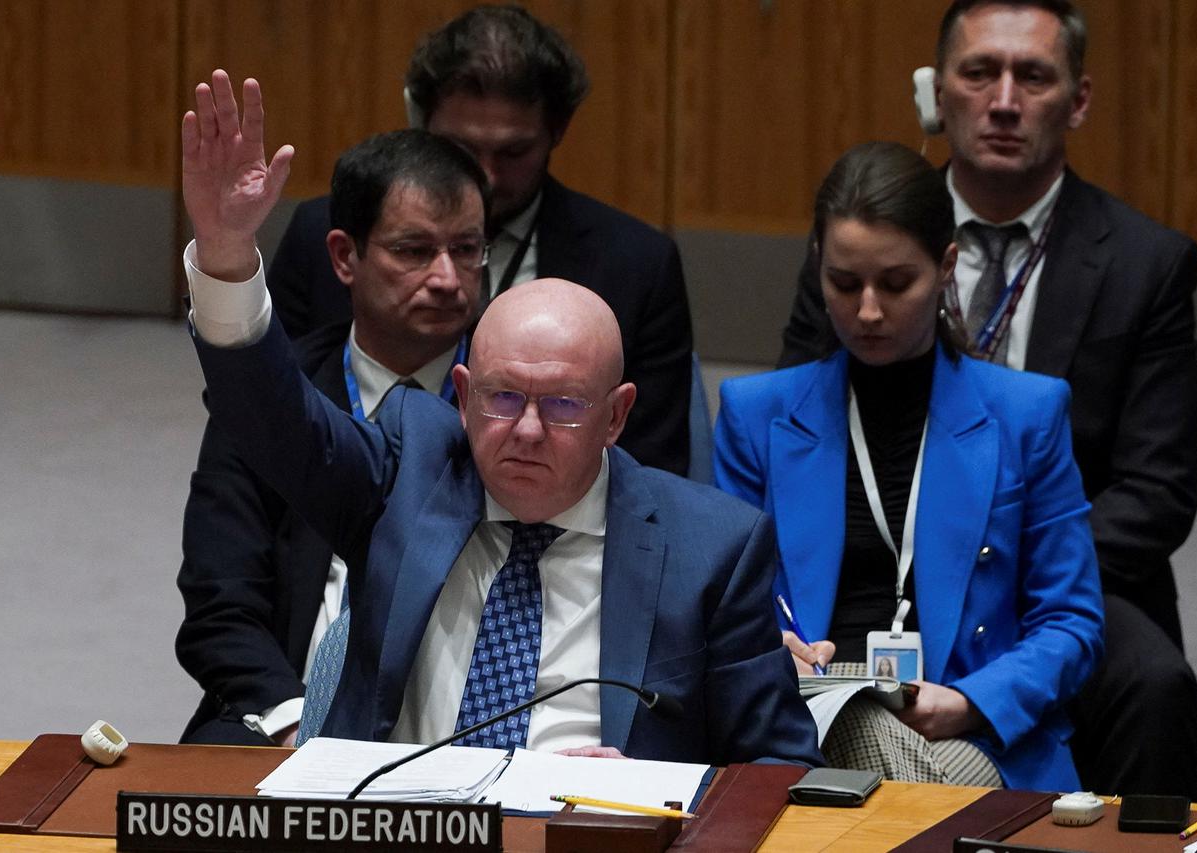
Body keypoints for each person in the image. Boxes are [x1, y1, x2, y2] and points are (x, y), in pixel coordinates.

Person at [177, 69, 821, 766]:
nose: (527, 430)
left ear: (616, 416)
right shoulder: (409, 467)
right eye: (504, 398)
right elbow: (274, 416)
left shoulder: (713, 552)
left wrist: (654, 793)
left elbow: (782, 774)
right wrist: (226, 254)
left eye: (565, 406)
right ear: (463, 392)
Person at [776, 0, 1197, 799]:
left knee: (1154, 684)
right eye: (979, 73)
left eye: (1033, 76)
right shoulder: (865, 239)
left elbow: (1159, 490)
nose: (1003, 100)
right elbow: (798, 430)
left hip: (1068, 563)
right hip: (883, 540)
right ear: (939, 91)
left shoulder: (1148, 262)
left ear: (1077, 100)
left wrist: (1006, 554)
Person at [716, 141, 1103, 791]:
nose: (868, 310)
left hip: (971, 732)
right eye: (844, 283)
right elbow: (725, 606)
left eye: (896, 283)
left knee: (880, 773)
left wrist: (971, 701)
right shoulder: (756, 415)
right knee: (852, 722)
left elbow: (1071, 620)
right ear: (817, 266)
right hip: (803, 717)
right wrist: (773, 646)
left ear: (946, 265)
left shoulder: (1026, 415)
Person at [268, 4, 694, 476]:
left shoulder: (636, 265)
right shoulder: (326, 232)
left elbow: (651, 473)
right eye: (463, 149)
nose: (487, 177)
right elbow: (260, 402)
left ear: (557, 132)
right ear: (421, 121)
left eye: (513, 151)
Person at [175, 130, 489, 746]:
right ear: (345, 257)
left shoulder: (510, 407)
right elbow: (220, 604)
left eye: (468, 249)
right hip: (284, 712)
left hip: (461, 721)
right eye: (415, 250)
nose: (448, 278)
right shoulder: (276, 401)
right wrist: (296, 724)